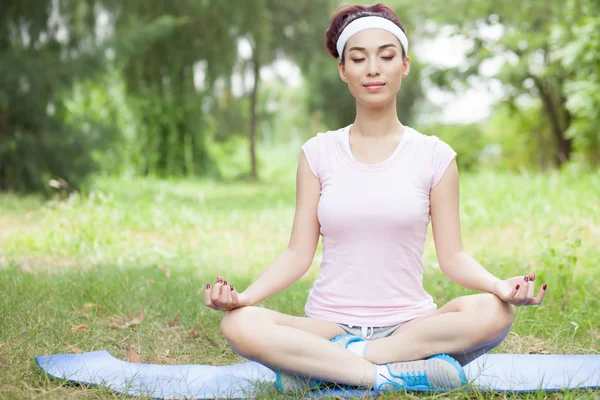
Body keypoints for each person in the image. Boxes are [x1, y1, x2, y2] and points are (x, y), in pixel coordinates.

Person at [203, 2, 547, 395]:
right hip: (328, 325)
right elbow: (297, 254)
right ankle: (384, 374)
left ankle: (327, 366)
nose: (372, 69)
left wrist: (499, 285)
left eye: (386, 57)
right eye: (358, 58)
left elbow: (453, 257)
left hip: (409, 326)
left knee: (493, 312)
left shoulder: (435, 156)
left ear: (404, 65)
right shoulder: (318, 154)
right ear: (342, 70)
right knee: (238, 324)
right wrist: (244, 298)